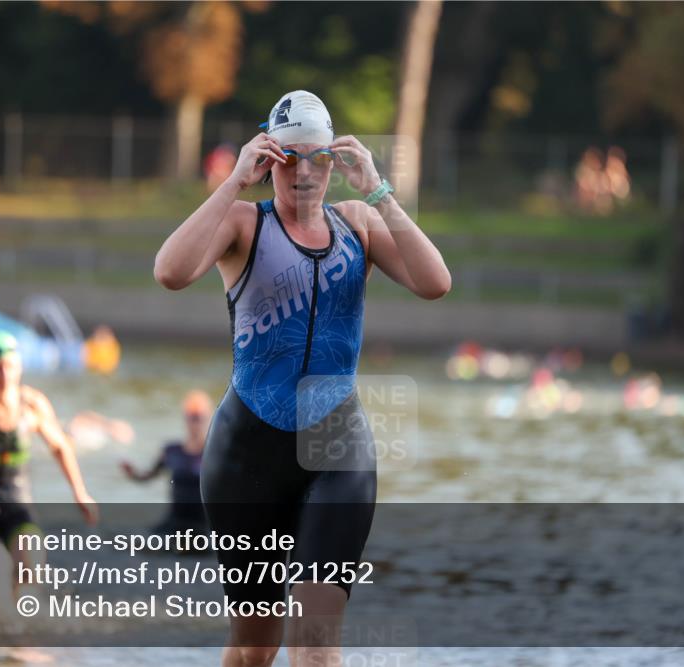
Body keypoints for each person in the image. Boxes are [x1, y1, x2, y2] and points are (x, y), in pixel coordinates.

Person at [153, 90, 451, 667]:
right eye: (288, 159)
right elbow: (170, 271)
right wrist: (233, 182)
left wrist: (379, 191)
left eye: (316, 158)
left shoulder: (359, 223)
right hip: (247, 454)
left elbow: (435, 283)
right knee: (255, 649)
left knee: (315, 645)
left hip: (337, 448)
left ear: (333, 161)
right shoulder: (243, 223)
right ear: (269, 159)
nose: (304, 173)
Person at [0, 331, 98, 596]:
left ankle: (21, 619)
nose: (4, 375)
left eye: (9, 367)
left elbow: (60, 446)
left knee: (30, 573)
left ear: (19, 367)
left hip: (17, 504)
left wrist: (79, 492)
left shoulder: (32, 404)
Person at [120, 389, 210, 538]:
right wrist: (132, 473)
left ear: (207, 419)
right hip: (174, 521)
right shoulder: (171, 451)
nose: (195, 423)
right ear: (185, 419)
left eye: (199, 418)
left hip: (203, 524)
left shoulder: (212, 454)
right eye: (192, 417)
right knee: (134, 542)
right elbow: (149, 476)